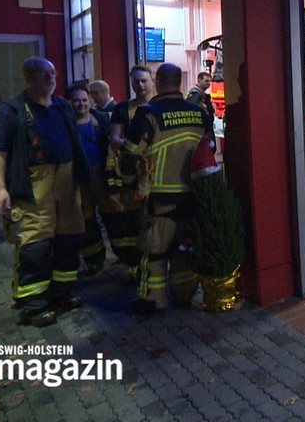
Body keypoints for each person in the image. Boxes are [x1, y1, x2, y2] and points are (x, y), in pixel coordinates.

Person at [0, 57, 90, 327]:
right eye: (44, 74)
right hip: (33, 184)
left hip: (66, 179)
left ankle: (61, 294)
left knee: (69, 238)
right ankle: (34, 304)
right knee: (36, 243)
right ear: (28, 77)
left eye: (53, 73)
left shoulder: (61, 106)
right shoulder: (10, 110)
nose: (51, 78)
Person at [122, 63, 213, 315]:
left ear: (158, 82)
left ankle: (153, 302)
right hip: (193, 195)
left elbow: (129, 158)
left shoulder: (147, 114)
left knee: (154, 253)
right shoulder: (198, 113)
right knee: (183, 250)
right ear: (180, 83)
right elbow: (211, 150)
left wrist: (130, 183)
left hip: (158, 199)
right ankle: (184, 295)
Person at [99, 66, 155, 278]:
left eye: (143, 81)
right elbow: (114, 138)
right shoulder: (123, 109)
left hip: (159, 175)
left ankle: (156, 264)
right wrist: (136, 148)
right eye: (135, 82)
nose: (139, 86)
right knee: (132, 221)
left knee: (156, 221)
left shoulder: (160, 106)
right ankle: (135, 267)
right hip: (131, 175)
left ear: (153, 81)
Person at [66, 85, 110, 276]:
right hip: (78, 179)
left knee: (111, 216)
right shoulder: (65, 124)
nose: (81, 104)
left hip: (100, 176)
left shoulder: (99, 119)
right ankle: (95, 260)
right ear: (69, 102)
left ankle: (123, 257)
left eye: (84, 100)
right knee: (87, 221)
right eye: (76, 100)